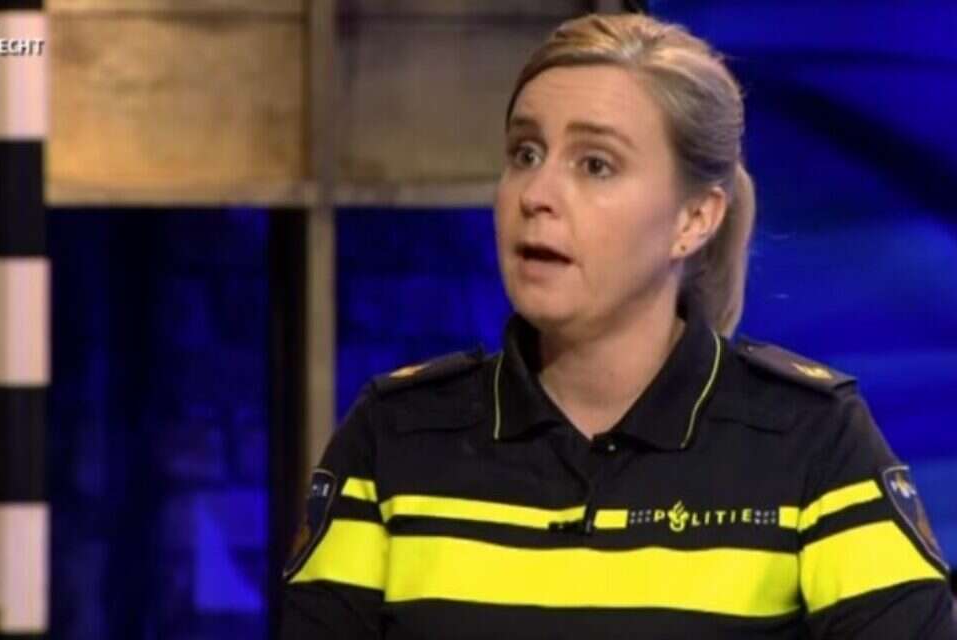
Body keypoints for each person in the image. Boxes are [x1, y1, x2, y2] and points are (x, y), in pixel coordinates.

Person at [281, 12, 956, 639]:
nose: (536, 195)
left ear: (694, 218)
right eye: (525, 154)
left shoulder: (811, 441)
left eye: (595, 165)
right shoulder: (394, 439)